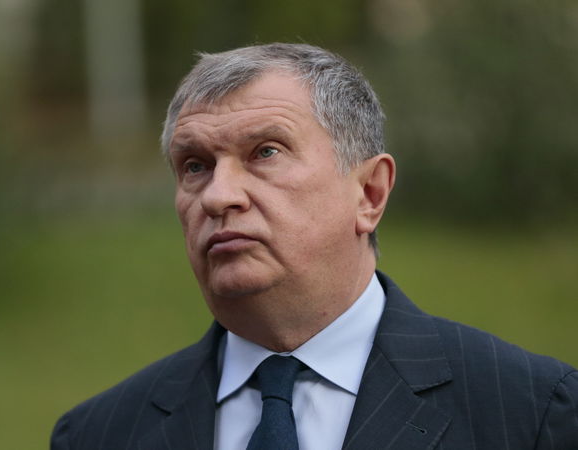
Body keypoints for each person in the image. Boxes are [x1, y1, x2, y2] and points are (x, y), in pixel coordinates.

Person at [50, 43, 578, 449]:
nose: (218, 195)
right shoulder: (98, 434)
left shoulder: (532, 412)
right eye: (195, 166)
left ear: (369, 194)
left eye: (265, 152)